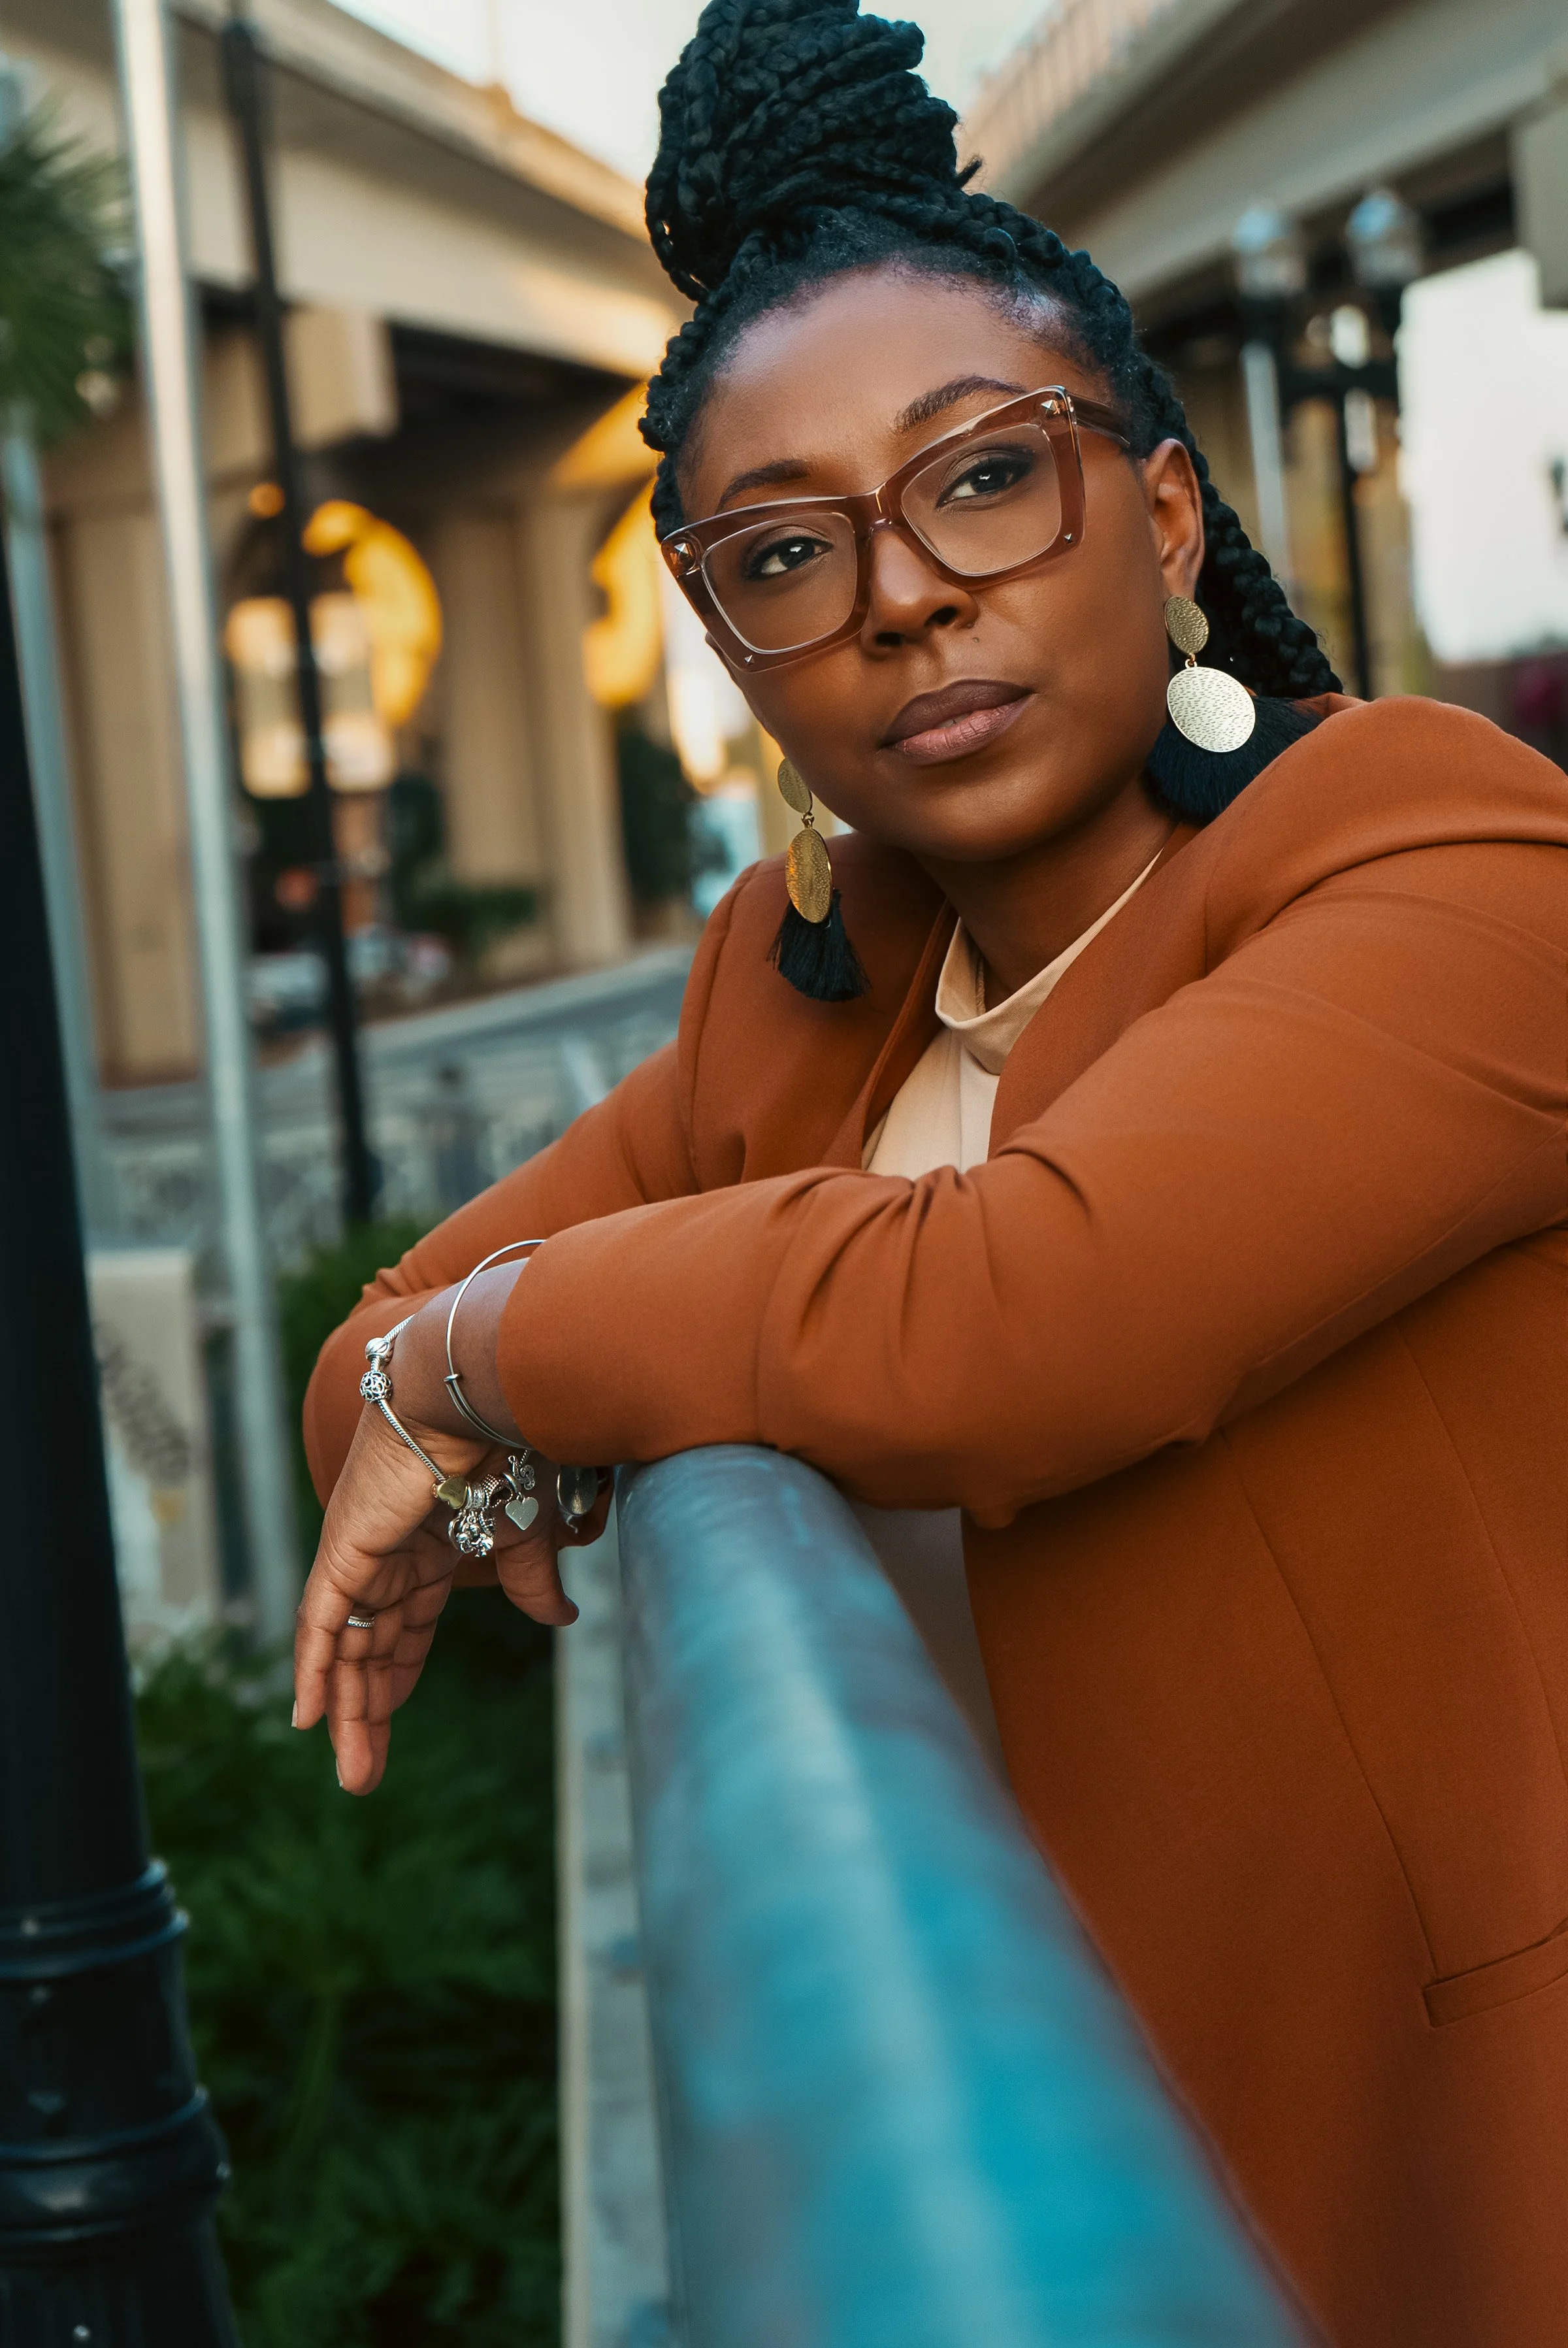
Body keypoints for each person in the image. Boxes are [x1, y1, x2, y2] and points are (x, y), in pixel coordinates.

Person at [293, 3, 1568, 2338]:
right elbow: (367, 1351)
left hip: (1447, 2178)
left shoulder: (1448, 859)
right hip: (974, 2140)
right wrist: (431, 1374)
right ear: (727, 644)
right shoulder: (802, 992)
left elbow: (1017, 1317)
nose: (899, 594)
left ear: (1162, 514)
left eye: (986, 480)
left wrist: (485, 1367)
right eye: (784, 554)